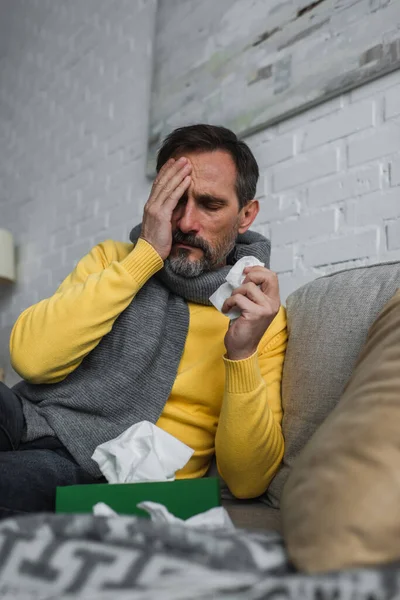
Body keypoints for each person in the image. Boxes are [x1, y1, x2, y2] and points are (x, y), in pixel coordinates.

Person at [0, 124, 287, 518]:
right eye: (174, 200)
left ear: (245, 215)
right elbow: (31, 359)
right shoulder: (114, 259)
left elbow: (248, 480)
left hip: (107, 471)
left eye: (209, 204)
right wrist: (145, 256)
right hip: (32, 416)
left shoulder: (260, 315)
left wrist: (241, 354)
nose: (186, 222)